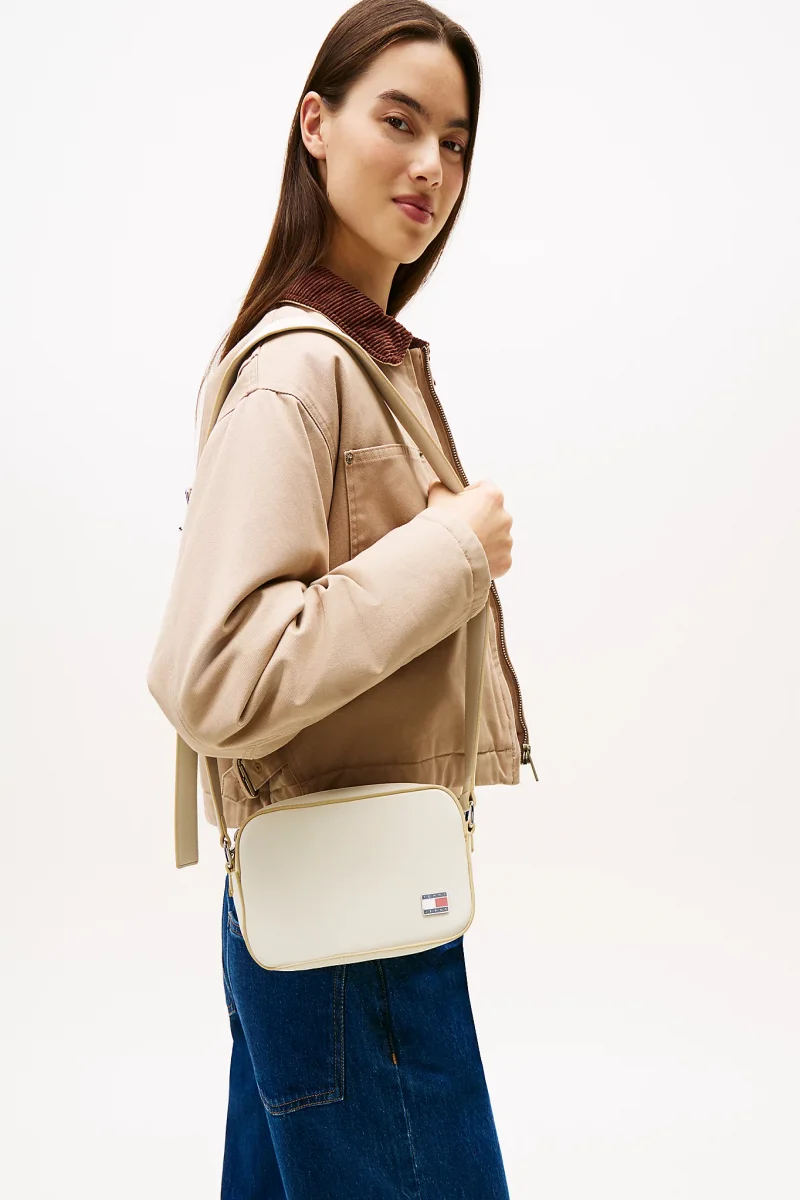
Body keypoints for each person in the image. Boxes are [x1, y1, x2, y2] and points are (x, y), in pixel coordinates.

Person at [147, 2, 537, 1195]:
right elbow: (214, 673)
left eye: (454, 141)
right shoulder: (299, 368)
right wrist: (451, 552)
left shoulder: (363, 356)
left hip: (339, 904)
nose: (431, 167)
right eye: (399, 122)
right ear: (314, 125)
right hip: (349, 932)